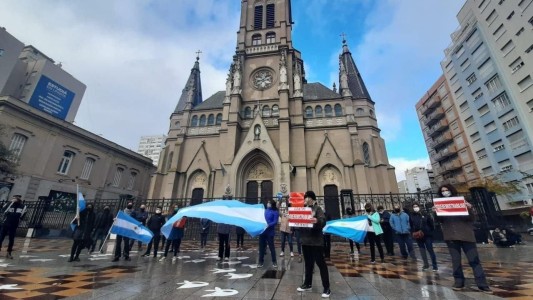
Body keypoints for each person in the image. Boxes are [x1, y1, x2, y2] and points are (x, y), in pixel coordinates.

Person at [436, 183, 492, 294]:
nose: (445, 192)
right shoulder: (440, 204)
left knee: (474, 261)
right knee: (456, 261)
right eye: (443, 191)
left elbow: (471, 218)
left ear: (451, 190)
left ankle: (482, 284)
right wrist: (435, 211)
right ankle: (459, 282)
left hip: (466, 236)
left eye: (446, 190)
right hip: (451, 236)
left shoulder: (461, 201)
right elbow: (439, 220)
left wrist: (470, 208)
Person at [296, 191, 330, 298]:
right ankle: (307, 283)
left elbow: (323, 220)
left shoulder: (317, 209)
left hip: (316, 241)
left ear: (312, 199)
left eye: (308, 197)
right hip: (306, 241)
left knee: (321, 264)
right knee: (308, 264)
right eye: (305, 198)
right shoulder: (303, 209)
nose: (306, 199)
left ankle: (326, 287)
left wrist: (316, 220)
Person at [410, 202, 438, 271]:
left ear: (419, 206)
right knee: (422, 251)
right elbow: (411, 225)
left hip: (427, 235)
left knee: (430, 250)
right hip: (418, 236)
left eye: (416, 206)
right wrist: (413, 232)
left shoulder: (425, 214)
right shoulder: (412, 216)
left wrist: (429, 231)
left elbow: (431, 224)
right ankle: (426, 265)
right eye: (414, 207)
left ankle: (435, 265)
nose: (415, 208)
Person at [258, 200, 279, 268]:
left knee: (271, 247)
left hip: (270, 232)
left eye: (269, 203)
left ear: (271, 204)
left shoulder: (275, 212)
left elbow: (275, 222)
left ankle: (274, 261)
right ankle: (260, 261)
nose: (267, 203)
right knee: (261, 247)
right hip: (262, 231)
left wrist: (268, 225)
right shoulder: (264, 210)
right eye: (267, 202)